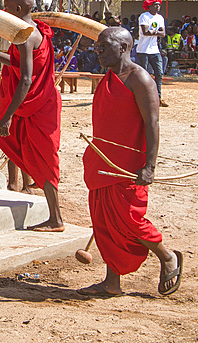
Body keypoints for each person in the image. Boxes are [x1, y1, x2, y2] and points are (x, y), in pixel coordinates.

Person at [78, 27, 183, 297]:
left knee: (128, 220)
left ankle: (166, 255)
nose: (98, 51)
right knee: (105, 222)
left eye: (104, 46)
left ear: (124, 47)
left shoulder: (141, 79)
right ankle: (112, 283)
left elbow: (153, 123)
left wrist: (150, 166)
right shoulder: (110, 77)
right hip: (103, 161)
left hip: (128, 166)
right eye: (97, 47)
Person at [0, 0, 63, 232]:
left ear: (17, 10)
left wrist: (8, 115)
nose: (4, 13)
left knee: (44, 157)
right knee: (31, 151)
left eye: (7, 8)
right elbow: (15, 63)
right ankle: (48, 207)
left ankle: (56, 219)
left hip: (37, 105)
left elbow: (26, 79)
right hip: (39, 102)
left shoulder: (25, 36)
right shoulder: (36, 30)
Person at [136, 0, 167, 106]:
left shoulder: (160, 18)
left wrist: (153, 31)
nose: (158, 7)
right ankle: (143, 97)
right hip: (143, 49)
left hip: (155, 49)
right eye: (155, 5)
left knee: (159, 73)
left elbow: (163, 33)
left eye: (159, 5)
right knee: (144, 74)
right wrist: (156, 32)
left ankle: (158, 97)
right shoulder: (144, 16)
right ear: (149, 6)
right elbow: (145, 32)